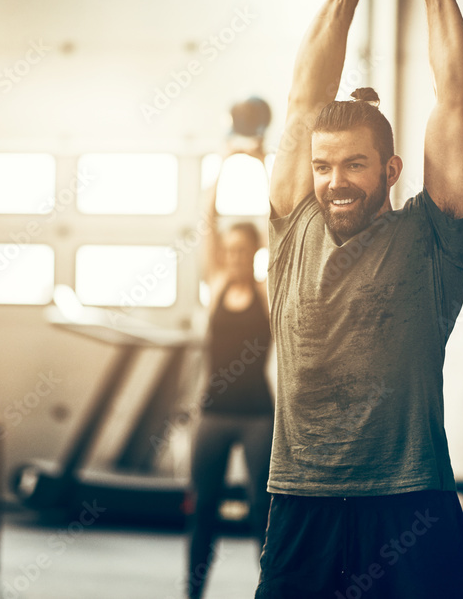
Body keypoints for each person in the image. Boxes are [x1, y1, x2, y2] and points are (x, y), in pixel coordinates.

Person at [255, 0, 463, 597]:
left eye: (354, 164)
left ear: (390, 169)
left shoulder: (430, 236)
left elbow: (456, 102)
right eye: (323, 167)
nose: (335, 181)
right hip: (302, 495)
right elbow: (304, 101)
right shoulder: (294, 227)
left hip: (410, 497)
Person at [185, 133, 275, 599]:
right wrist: (222, 162)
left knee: (263, 510)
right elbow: (207, 220)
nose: (237, 257)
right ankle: (193, 590)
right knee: (203, 508)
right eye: (231, 250)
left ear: (255, 252)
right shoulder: (216, 283)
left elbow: (276, 219)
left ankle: (270, 590)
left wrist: (260, 163)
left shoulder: (265, 291)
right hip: (213, 413)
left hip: (259, 414)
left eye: (245, 250)